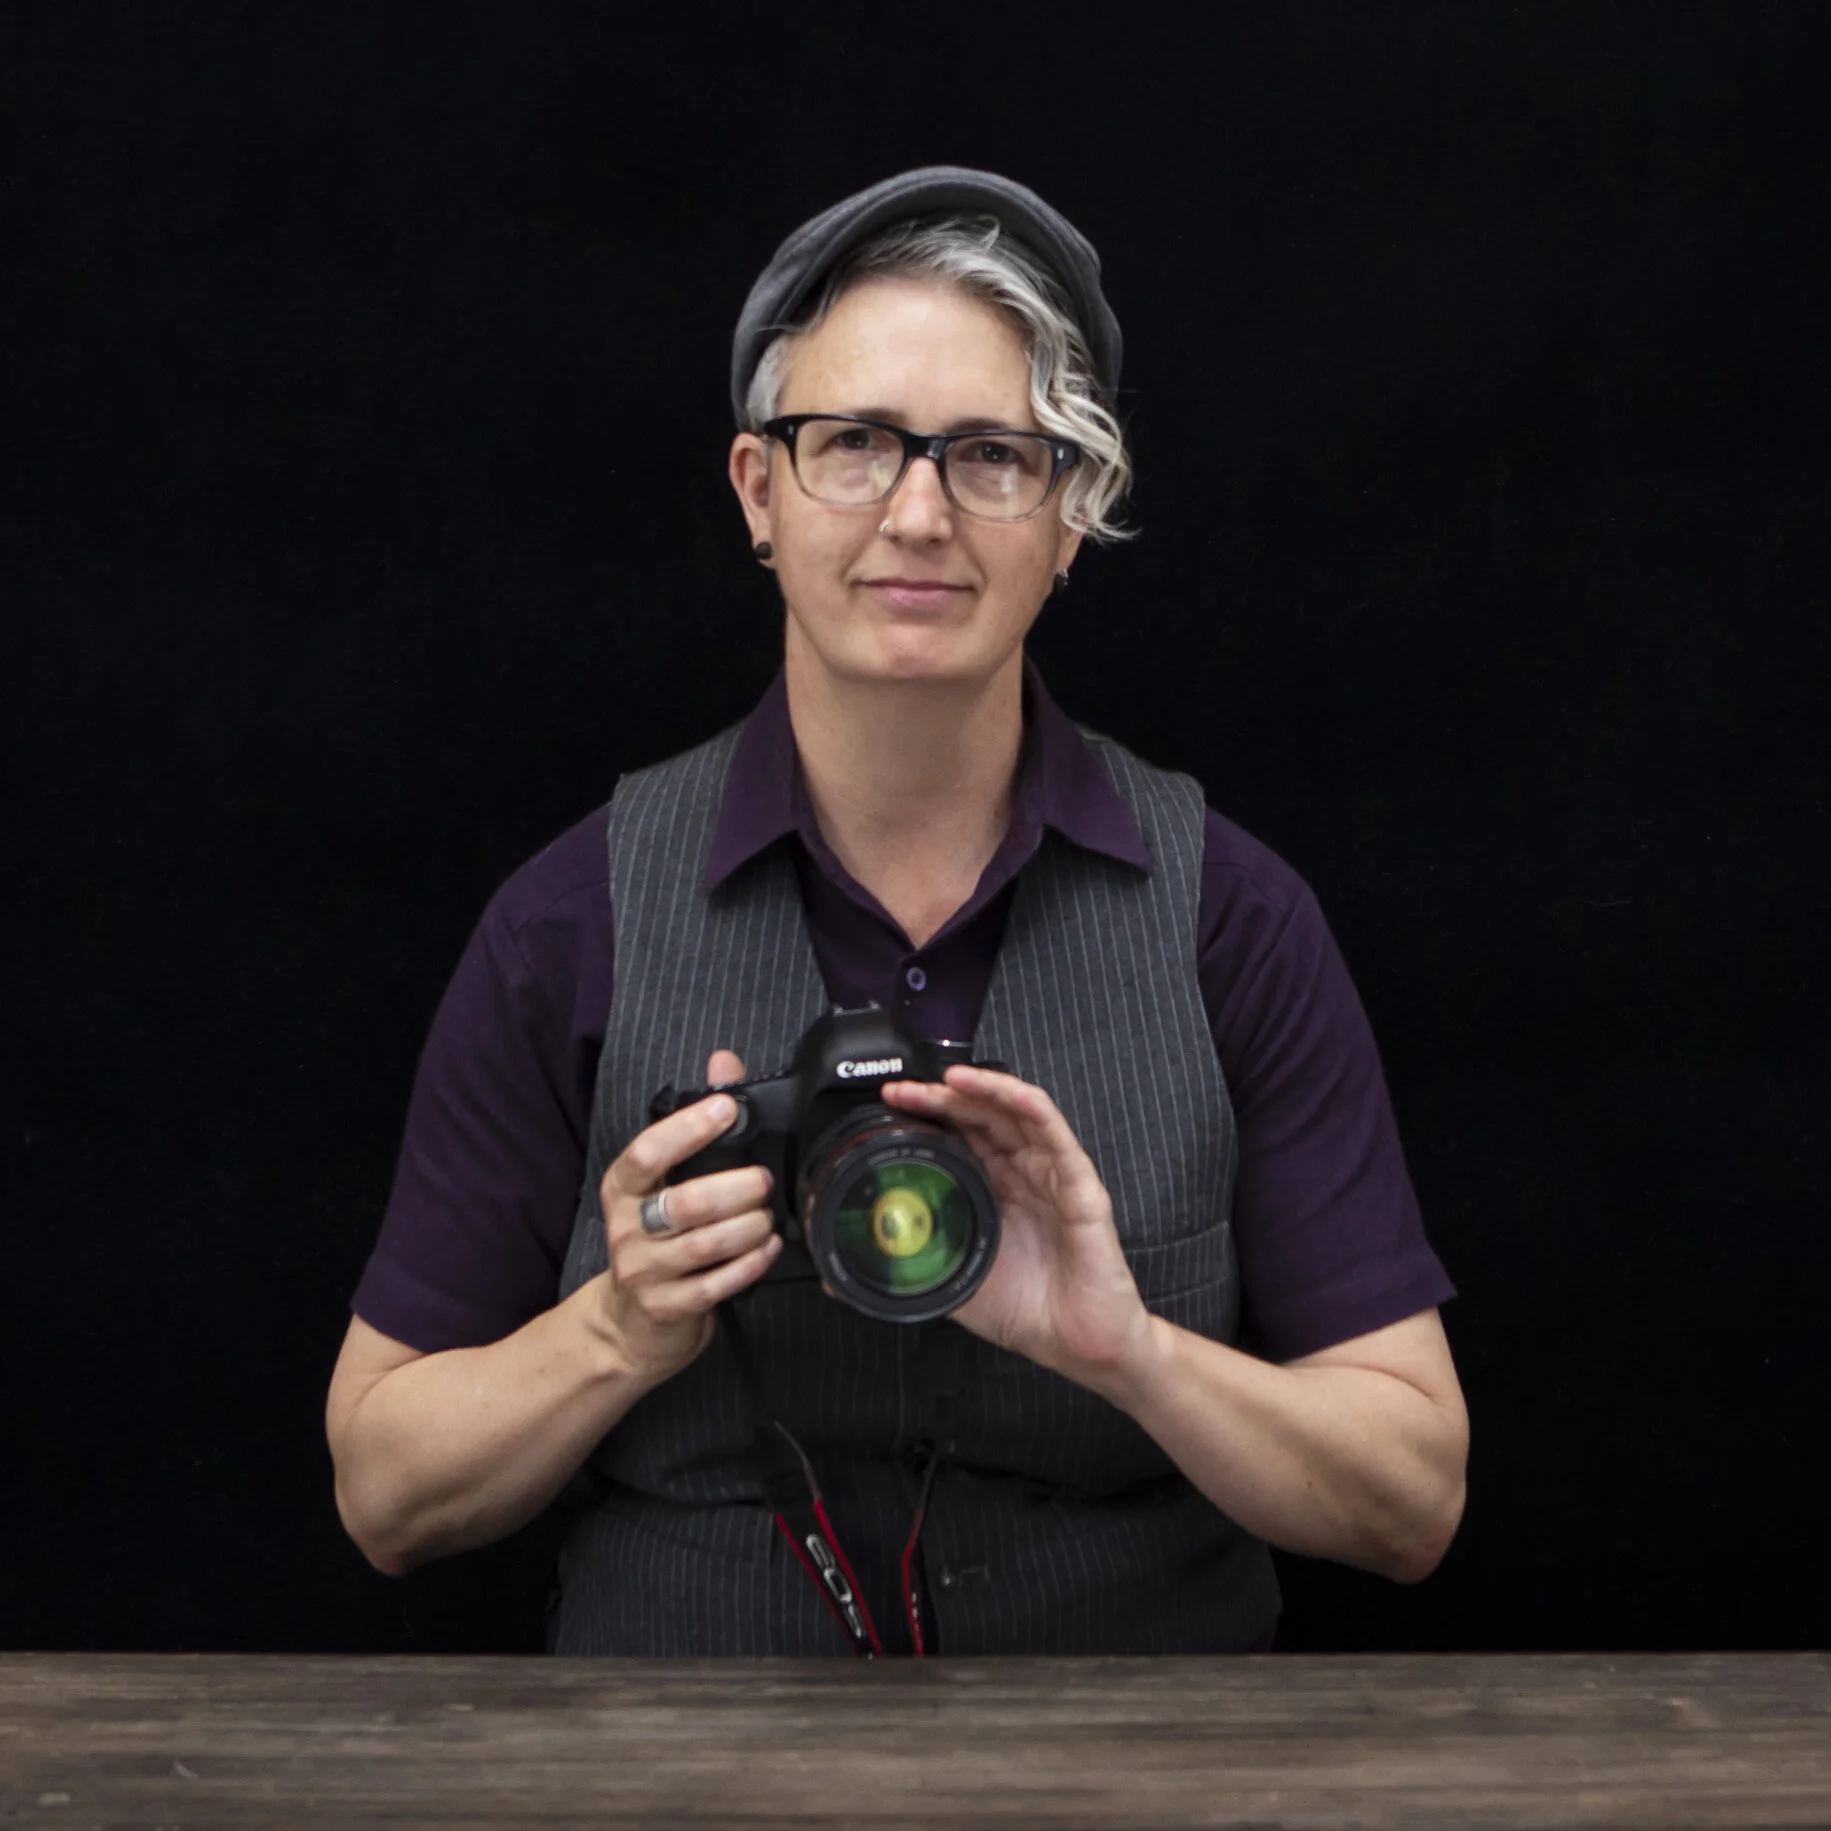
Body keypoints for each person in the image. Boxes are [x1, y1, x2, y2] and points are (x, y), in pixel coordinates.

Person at [325, 166, 1468, 1658]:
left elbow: (1409, 1497)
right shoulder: (568, 923)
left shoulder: (1230, 920)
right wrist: (613, 1329)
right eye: (855, 444)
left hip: (1136, 1756)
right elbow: (385, 1491)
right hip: (678, 1757)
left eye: (991, 455)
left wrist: (1132, 1353)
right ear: (759, 491)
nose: (918, 513)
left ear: (1069, 516)